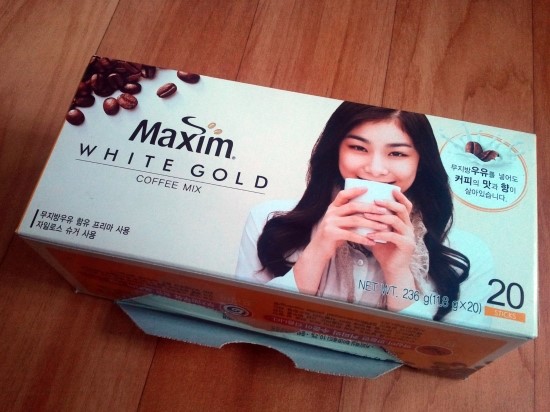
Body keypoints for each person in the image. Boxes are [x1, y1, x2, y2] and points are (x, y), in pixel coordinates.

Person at [236, 101, 494, 323]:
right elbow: (250, 320)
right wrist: (317, 251)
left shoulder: (468, 252)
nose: (375, 169)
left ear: (421, 162)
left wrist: (398, 272)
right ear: (335, 150)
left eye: (397, 153)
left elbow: (438, 355)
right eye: (358, 148)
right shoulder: (269, 220)